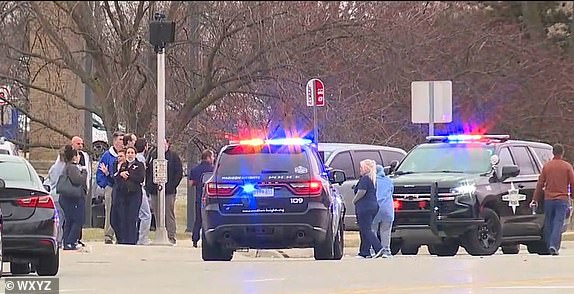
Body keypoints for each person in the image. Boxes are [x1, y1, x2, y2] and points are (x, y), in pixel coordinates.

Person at [531, 143, 574, 255]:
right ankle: (553, 246)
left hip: (548, 199)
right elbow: (572, 183)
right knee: (558, 222)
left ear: (553, 153)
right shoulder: (567, 166)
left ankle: (549, 244)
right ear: (562, 153)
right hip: (562, 199)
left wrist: (535, 198)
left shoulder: (547, 166)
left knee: (549, 222)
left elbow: (540, 183)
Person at [145, 139, 183, 245]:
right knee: (157, 213)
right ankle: (159, 232)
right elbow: (147, 171)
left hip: (169, 191)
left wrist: (171, 186)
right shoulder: (152, 155)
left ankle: (171, 235)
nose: (163, 146)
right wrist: (149, 186)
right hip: (154, 190)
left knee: (168, 213)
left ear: (168, 144)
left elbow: (178, 172)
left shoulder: (174, 157)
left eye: (164, 144)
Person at [113, 147, 145, 245]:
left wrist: (129, 175)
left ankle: (132, 240)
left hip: (134, 195)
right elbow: (117, 177)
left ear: (135, 154)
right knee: (123, 217)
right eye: (128, 153)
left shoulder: (139, 165)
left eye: (132, 153)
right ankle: (123, 239)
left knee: (132, 218)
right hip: (123, 195)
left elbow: (140, 178)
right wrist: (121, 174)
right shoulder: (123, 165)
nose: (130, 155)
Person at [96, 131, 124, 244]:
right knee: (110, 211)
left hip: (122, 188)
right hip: (111, 186)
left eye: (123, 140)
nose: (122, 143)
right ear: (114, 141)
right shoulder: (107, 156)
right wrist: (104, 183)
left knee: (121, 211)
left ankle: (120, 235)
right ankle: (108, 235)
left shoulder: (125, 154)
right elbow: (100, 171)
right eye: (120, 140)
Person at [59, 144, 88, 250]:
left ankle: (67, 241)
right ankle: (70, 241)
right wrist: (84, 173)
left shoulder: (67, 166)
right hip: (73, 198)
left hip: (68, 198)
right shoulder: (72, 167)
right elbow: (78, 180)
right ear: (75, 157)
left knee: (70, 219)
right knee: (78, 219)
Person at [353, 159, 383, 258]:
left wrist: (354, 200)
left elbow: (361, 192)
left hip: (365, 207)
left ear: (366, 168)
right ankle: (364, 252)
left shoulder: (365, 179)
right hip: (373, 206)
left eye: (361, 167)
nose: (360, 169)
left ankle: (378, 248)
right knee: (364, 229)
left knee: (366, 229)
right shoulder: (372, 179)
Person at [188, 150, 215, 248]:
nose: (213, 159)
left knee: (198, 219)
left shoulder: (195, 170)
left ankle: (195, 239)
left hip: (199, 197)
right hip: (211, 198)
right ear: (208, 157)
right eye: (212, 157)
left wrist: (197, 183)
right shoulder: (214, 170)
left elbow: (190, 184)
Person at [44, 146, 67, 248]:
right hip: (63, 195)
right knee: (64, 219)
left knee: (58, 219)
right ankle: (61, 240)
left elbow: (50, 180)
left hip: (54, 195)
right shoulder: (67, 167)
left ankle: (57, 239)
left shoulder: (54, 167)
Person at [372, 165, 395, 258]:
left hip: (375, 207)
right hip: (387, 208)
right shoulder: (389, 181)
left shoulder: (372, 181)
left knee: (373, 229)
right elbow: (392, 191)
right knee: (386, 230)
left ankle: (373, 250)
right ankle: (386, 250)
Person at [135, 138, 152, 245]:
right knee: (146, 214)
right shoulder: (140, 159)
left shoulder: (137, 158)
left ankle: (139, 237)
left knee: (140, 214)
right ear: (145, 147)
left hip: (137, 189)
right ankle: (142, 239)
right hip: (140, 188)